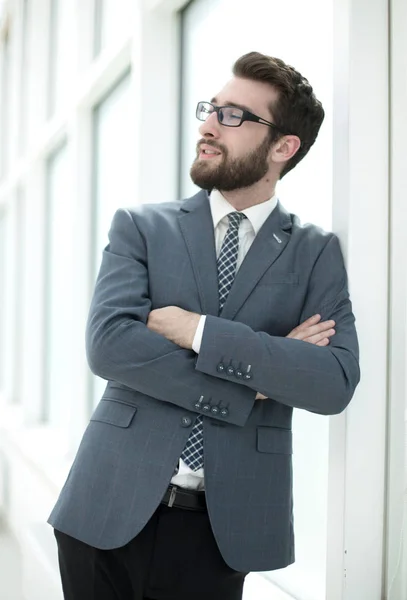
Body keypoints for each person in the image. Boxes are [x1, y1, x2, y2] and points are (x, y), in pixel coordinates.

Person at [48, 51, 360, 600]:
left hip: (224, 530)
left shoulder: (315, 253)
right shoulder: (142, 228)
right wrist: (259, 377)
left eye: (235, 116)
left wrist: (199, 332)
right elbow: (109, 347)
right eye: (212, 109)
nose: (209, 125)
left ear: (284, 147)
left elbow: (333, 382)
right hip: (104, 508)